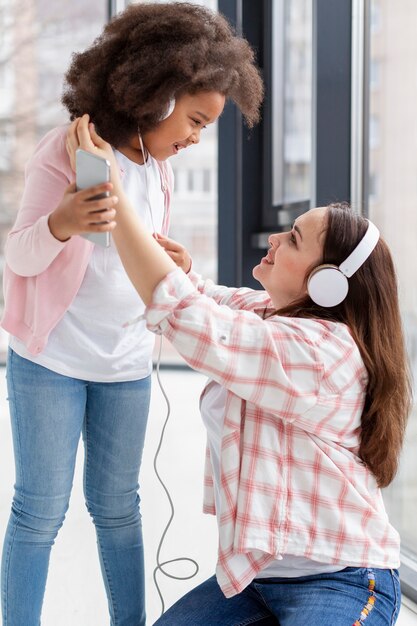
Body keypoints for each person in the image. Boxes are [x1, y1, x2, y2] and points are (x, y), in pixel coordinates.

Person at [65, 115, 412, 626]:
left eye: (292, 239)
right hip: (257, 581)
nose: (274, 238)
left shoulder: (325, 352)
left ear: (329, 286)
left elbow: (199, 324)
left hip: (343, 578)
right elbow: (213, 301)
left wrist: (116, 204)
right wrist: (185, 275)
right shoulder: (275, 316)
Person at [0, 4, 263, 625]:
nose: (197, 136)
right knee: (40, 510)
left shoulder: (160, 170)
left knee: (118, 506)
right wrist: (61, 224)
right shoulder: (65, 152)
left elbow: (133, 260)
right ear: (158, 95)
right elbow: (19, 254)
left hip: (125, 364)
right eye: (195, 119)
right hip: (51, 361)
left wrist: (176, 261)